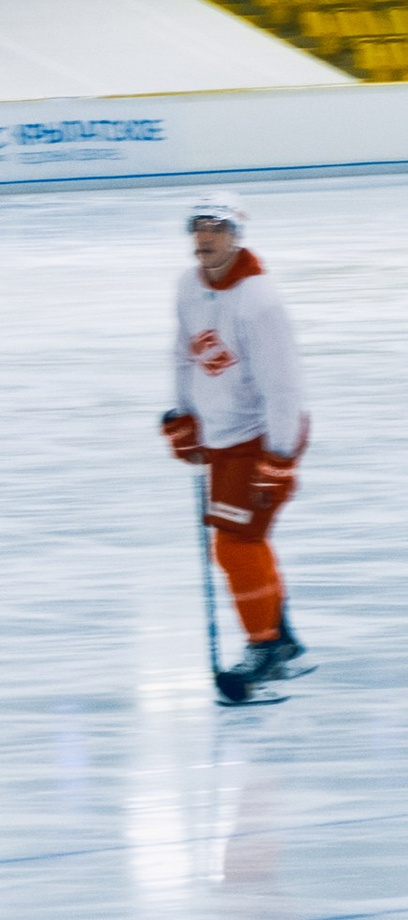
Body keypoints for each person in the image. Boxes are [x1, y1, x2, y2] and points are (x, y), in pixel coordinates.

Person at [163, 197, 310, 703]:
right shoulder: (188, 286)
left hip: (260, 435)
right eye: (198, 229)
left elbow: (285, 388)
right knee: (242, 540)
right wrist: (183, 418)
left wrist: (280, 458)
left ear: (237, 236)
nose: (204, 239)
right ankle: (283, 637)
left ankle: (264, 646)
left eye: (216, 229)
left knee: (234, 543)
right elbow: (183, 355)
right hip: (221, 435)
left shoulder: (258, 301)